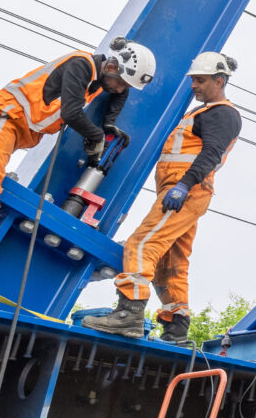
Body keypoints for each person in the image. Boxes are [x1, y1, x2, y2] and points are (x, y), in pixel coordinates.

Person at [0, 37, 155, 306]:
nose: (121, 88)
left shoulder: (103, 79)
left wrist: (109, 124)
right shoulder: (82, 64)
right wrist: (95, 136)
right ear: (113, 65)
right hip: (0, 120)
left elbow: (118, 96)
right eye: (122, 81)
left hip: (3, 127)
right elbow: (70, 112)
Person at [82, 50, 242, 342]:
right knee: (172, 261)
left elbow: (210, 154)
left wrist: (183, 186)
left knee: (142, 244)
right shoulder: (201, 113)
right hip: (181, 191)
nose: (194, 86)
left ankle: (129, 312)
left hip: (187, 190)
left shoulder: (223, 114)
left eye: (201, 81)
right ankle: (176, 326)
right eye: (193, 80)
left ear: (219, 81)